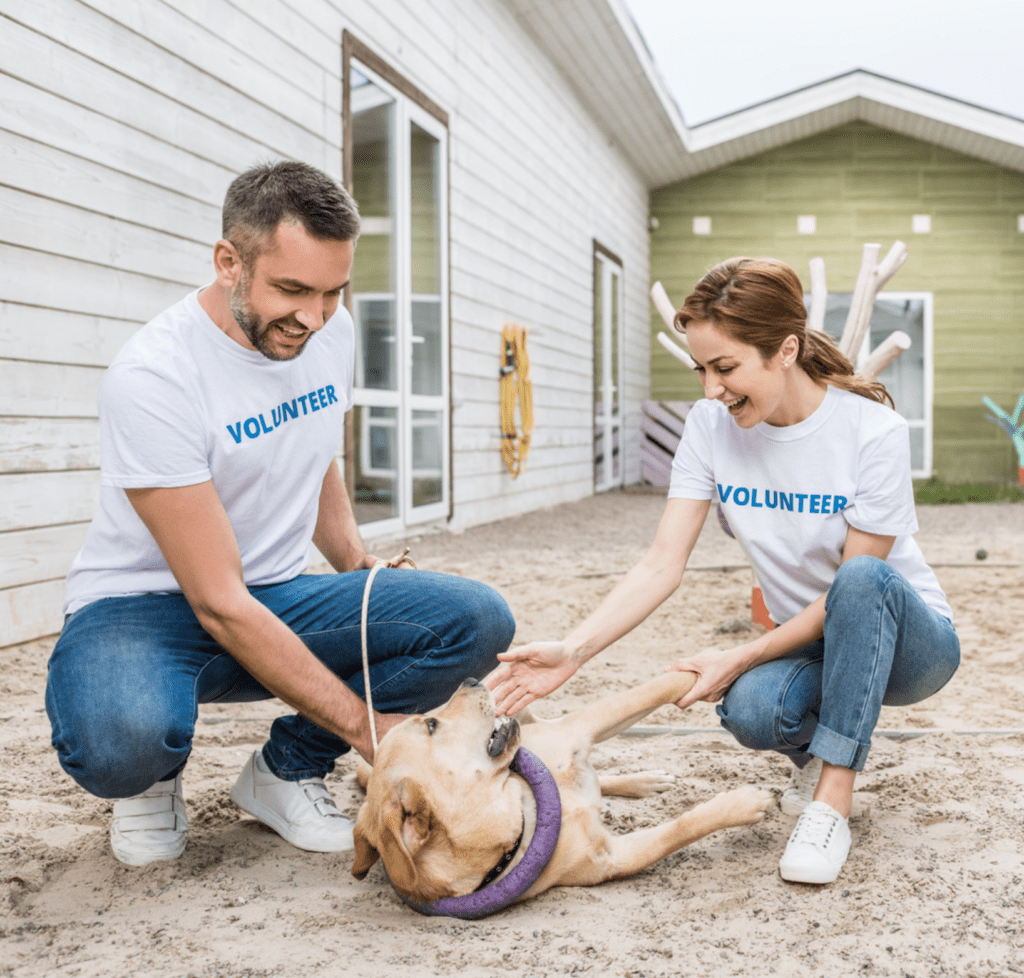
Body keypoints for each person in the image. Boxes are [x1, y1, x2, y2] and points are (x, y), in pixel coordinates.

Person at [46, 161, 515, 867]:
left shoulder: (330, 331)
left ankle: (284, 771)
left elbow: (315, 450)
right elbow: (220, 603)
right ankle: (150, 780)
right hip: (140, 609)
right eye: (292, 290)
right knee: (122, 742)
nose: (313, 316)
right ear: (229, 261)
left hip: (277, 594)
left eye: (332, 291)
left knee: (475, 619)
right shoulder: (155, 377)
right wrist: (369, 730)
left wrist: (357, 566)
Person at [488, 257, 958, 885]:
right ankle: (820, 759)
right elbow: (661, 563)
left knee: (860, 582)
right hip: (814, 641)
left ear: (785, 350)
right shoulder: (710, 427)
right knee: (752, 709)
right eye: (701, 369)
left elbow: (861, 581)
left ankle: (832, 804)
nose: (711, 389)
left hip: (909, 644)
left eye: (726, 368)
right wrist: (574, 651)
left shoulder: (873, 431)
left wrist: (740, 653)